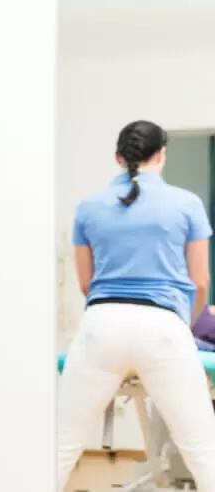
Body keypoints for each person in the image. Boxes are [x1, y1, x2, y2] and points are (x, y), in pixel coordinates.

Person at [56, 120, 215, 490]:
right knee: (203, 451)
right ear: (162, 155)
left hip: (101, 324)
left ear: (118, 157)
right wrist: (185, 324)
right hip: (164, 327)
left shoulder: (89, 207)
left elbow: (85, 283)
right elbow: (200, 282)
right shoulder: (187, 204)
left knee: (60, 448)